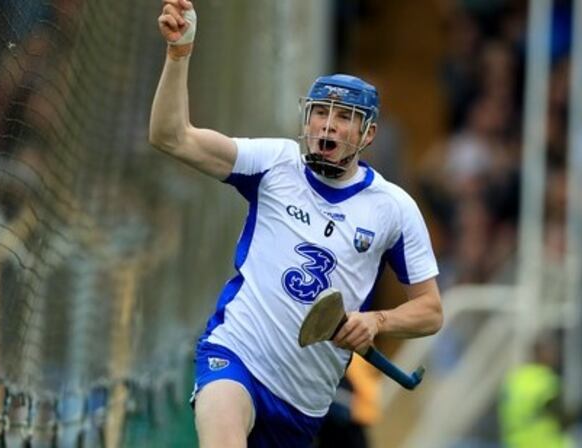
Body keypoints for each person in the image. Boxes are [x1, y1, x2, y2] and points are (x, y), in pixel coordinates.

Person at [149, 2, 443, 447]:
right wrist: (178, 55)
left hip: (302, 402)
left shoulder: (394, 209)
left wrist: (376, 322)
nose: (328, 126)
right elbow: (172, 136)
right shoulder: (275, 163)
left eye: (344, 118)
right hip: (235, 352)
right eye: (322, 113)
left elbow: (431, 310)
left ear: (368, 134)